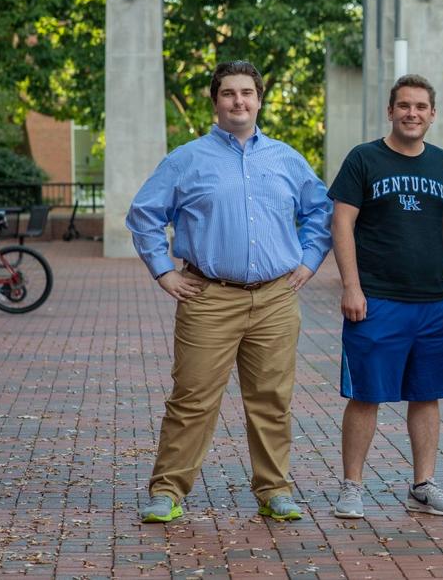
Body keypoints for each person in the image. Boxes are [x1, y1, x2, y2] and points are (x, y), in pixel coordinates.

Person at [126, 60, 332, 523]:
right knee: (192, 398)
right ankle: (167, 492)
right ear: (215, 101)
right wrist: (164, 272)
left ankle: (274, 490)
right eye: (228, 93)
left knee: (272, 400)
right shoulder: (186, 159)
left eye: (247, 93)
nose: (238, 101)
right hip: (209, 297)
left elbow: (321, 211)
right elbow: (144, 214)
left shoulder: (286, 158)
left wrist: (308, 261)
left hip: (276, 298)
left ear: (259, 99)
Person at [327, 75, 443, 519]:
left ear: (432, 114)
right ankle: (352, 487)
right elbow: (342, 223)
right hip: (377, 300)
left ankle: (423, 485)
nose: (412, 113)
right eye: (404, 105)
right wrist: (351, 286)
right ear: (390, 111)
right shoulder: (364, 159)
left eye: (421, 106)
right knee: (366, 394)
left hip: (430, 301)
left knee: (427, 394)